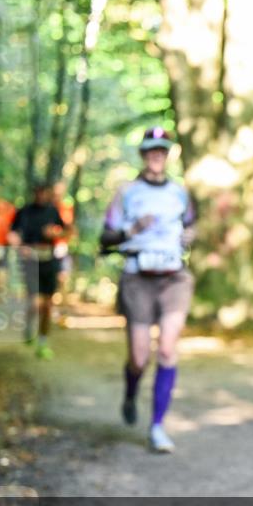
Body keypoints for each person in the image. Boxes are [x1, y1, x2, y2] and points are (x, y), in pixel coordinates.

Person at [100, 127, 196, 454]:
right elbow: (105, 237)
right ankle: (130, 392)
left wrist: (190, 236)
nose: (157, 155)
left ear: (168, 154)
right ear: (142, 154)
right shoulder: (127, 192)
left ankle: (157, 426)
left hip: (174, 277)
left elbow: (192, 224)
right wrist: (131, 229)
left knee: (168, 350)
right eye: (151, 150)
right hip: (138, 276)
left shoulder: (180, 193)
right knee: (139, 357)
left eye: (162, 150)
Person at [8, 183, 69, 359]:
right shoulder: (24, 212)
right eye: (38, 192)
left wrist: (56, 234)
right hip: (29, 260)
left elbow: (67, 232)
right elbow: (12, 234)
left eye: (44, 193)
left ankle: (42, 342)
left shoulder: (53, 211)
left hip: (49, 260)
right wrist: (20, 246)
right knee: (34, 303)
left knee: (48, 305)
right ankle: (28, 327)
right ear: (34, 193)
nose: (41, 196)